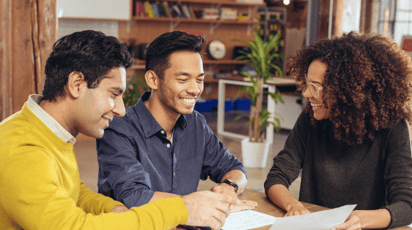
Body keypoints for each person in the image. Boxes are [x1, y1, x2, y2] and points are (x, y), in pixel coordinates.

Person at [0, 30, 238, 230]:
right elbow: (73, 227)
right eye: (114, 94)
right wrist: (182, 209)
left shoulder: (49, 131)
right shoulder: (24, 150)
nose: (121, 110)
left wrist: (114, 209)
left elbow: (74, 193)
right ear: (76, 84)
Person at [265, 31, 412, 230]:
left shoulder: (393, 128)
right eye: (307, 84)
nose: (307, 94)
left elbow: (406, 205)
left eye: (315, 87)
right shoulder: (311, 119)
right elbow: (276, 176)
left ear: (347, 91)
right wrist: (293, 205)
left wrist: (363, 219)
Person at [96, 31, 257, 211]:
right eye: (183, 79)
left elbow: (235, 168)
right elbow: (136, 196)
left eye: (199, 79)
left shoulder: (196, 123)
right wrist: (202, 204)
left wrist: (229, 187)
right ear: (153, 80)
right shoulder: (118, 129)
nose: (195, 90)